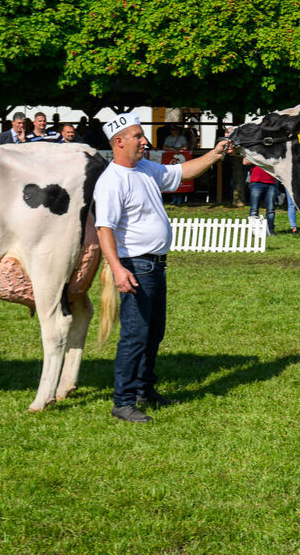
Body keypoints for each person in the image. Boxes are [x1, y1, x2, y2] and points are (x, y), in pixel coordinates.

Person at [96, 115, 232, 423]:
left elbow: (182, 171)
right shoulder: (111, 180)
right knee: (134, 335)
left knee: (153, 333)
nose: (145, 141)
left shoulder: (144, 168)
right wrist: (117, 269)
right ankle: (123, 401)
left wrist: (216, 153)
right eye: (138, 136)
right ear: (119, 142)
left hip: (155, 265)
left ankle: (144, 390)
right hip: (137, 267)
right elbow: (104, 229)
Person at [245, 159, 279, 233]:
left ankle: (270, 230)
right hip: (256, 182)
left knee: (271, 209)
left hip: (271, 182)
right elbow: (245, 162)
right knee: (254, 209)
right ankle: (253, 231)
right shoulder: (254, 151)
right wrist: (260, 158)